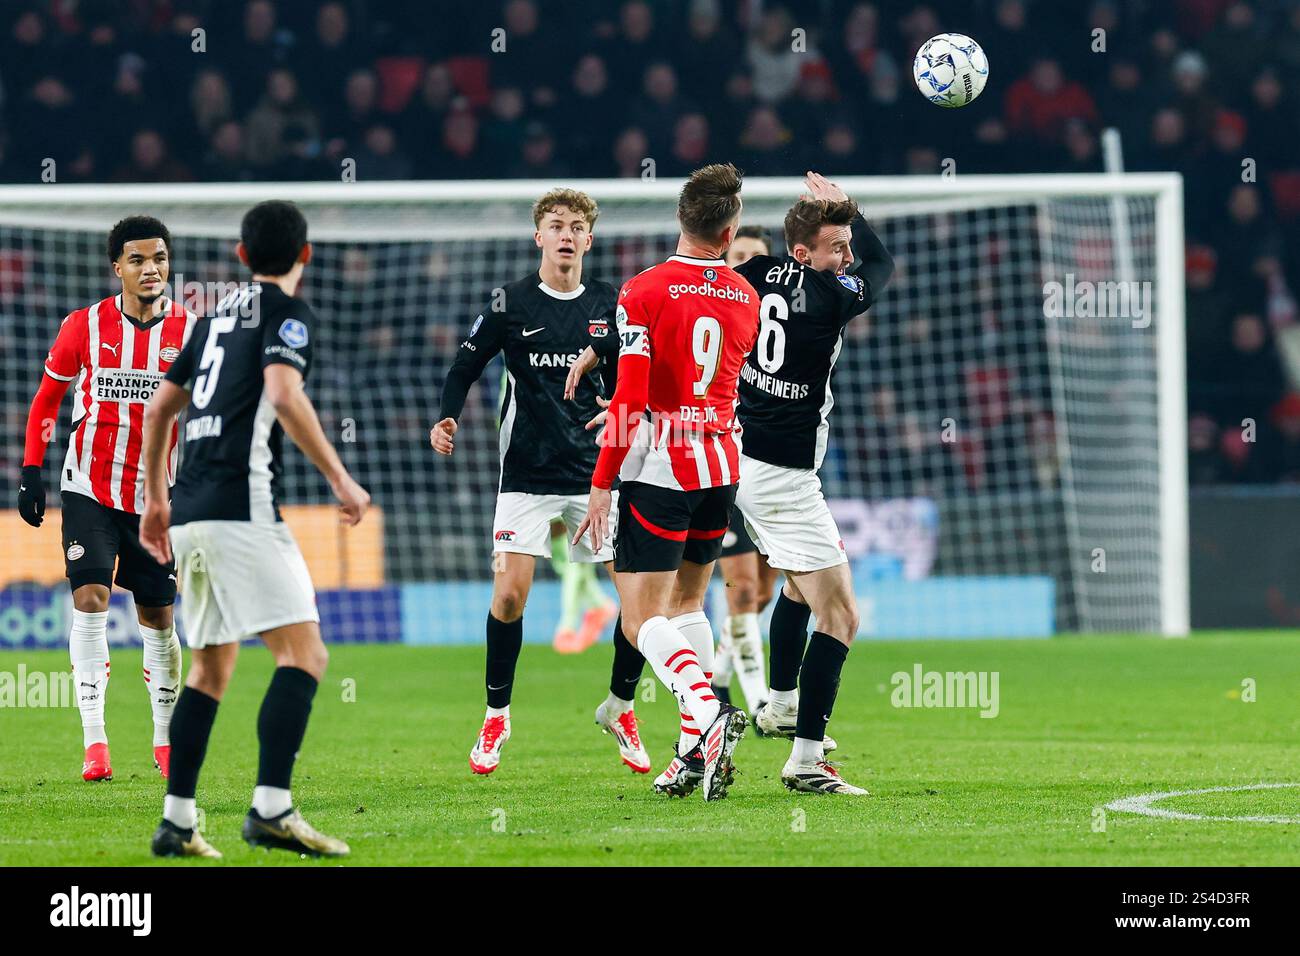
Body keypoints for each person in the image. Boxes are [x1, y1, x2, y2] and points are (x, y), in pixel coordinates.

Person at [140, 200, 370, 858]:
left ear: (240, 256)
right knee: (307, 657)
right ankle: (271, 808)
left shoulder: (211, 319)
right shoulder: (288, 314)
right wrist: (339, 479)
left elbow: (160, 410)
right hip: (242, 509)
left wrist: (156, 502)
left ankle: (177, 821)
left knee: (212, 668)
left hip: (188, 512)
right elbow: (282, 391)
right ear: (307, 255)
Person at [430, 189, 650, 776]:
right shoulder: (511, 302)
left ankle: (621, 707)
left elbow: (640, 373)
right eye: (556, 225)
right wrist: (447, 415)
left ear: (589, 240)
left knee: (637, 611)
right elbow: (464, 365)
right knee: (508, 596)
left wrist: (633, 410)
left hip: (596, 477)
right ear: (539, 237)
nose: (566, 235)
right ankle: (497, 714)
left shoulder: (612, 302)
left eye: (577, 226)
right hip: (524, 477)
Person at [574, 163, 759, 801]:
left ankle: (705, 713)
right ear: (730, 231)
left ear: (680, 221)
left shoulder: (643, 291)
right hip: (721, 465)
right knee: (688, 605)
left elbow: (630, 397)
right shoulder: (747, 297)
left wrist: (602, 483)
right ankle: (689, 754)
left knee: (639, 619)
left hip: (661, 466)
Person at [18, 216, 194, 782]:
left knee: (158, 619)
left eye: (160, 258)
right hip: (89, 487)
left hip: (155, 499)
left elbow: (215, 410)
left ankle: (165, 741)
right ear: (117, 266)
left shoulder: (192, 333)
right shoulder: (83, 326)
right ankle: (95, 743)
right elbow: (47, 400)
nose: (152, 269)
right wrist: (30, 471)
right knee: (90, 598)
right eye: (139, 260)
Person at [734, 172, 895, 794]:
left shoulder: (754, 274)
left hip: (747, 460)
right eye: (836, 247)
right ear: (805, 254)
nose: (848, 257)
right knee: (842, 615)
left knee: (800, 593)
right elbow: (882, 262)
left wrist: (830, 216)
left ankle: (778, 701)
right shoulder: (832, 295)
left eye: (846, 246)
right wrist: (849, 202)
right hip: (783, 476)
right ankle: (804, 761)